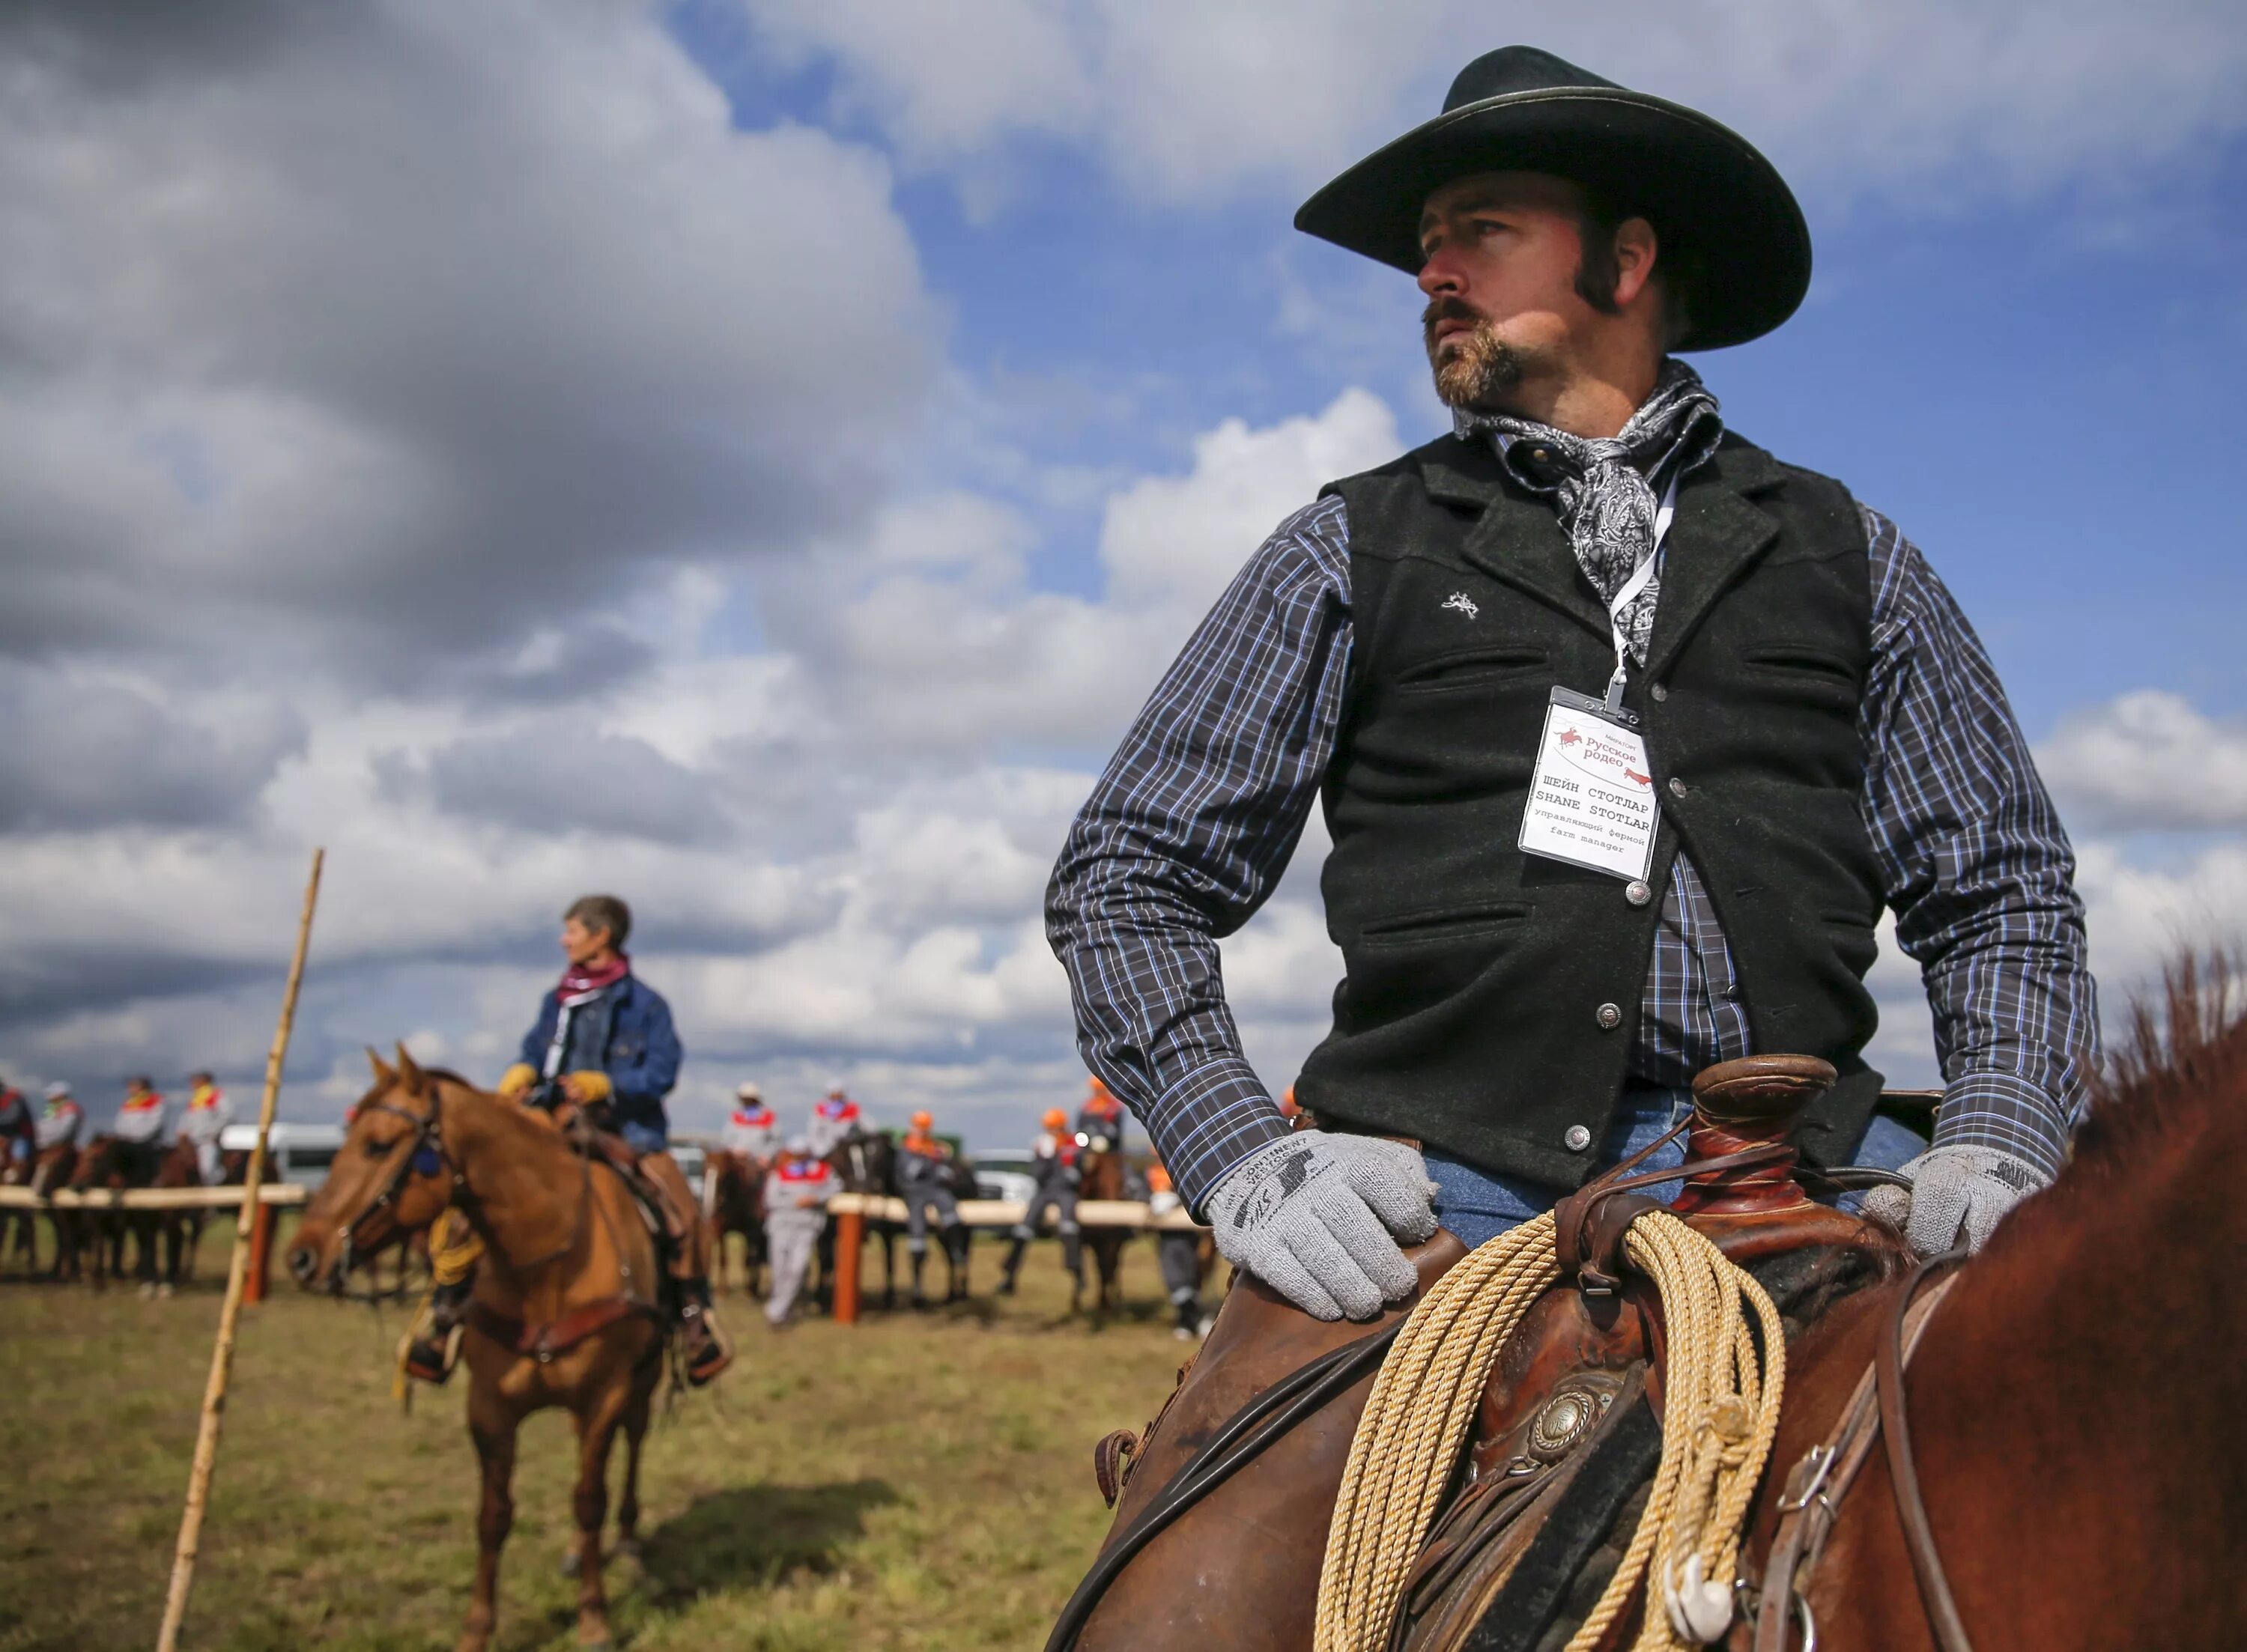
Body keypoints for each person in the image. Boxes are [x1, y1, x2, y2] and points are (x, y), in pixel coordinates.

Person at [1047, 46, 2097, 1324]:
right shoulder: (1353, 546)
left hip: (1803, 1164)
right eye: (1429, 246)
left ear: (1629, 259)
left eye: (1480, 232)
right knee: (1227, 1523)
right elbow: (1127, 874)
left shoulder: (1850, 552)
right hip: (1444, 1184)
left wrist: (2001, 1135)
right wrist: (1239, 1153)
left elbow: (2003, 883)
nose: (1433, 272)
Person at [408, 894, 730, 1385]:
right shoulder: (556, 999)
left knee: (680, 1210)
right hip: (546, 1124)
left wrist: (610, 1085)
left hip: (624, 1130)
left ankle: (693, 1322)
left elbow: (662, 1073)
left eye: (572, 931)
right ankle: (445, 1317)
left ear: (601, 936)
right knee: (474, 1202)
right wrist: (522, 1069)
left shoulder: (647, 1005)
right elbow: (536, 1048)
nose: (564, 941)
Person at [999, 1106, 1083, 1296]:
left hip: (1066, 1192)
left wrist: (1073, 1171)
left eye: (1055, 1128)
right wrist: (1045, 1158)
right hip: (1045, 1192)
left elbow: (1082, 1168)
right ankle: (1009, 1273)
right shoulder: (1041, 1146)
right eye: (1050, 1128)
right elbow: (1037, 1175)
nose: (1052, 1132)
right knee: (1024, 1228)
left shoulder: (1074, 1143)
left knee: (1069, 1228)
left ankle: (1077, 1274)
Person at [761, 1135, 836, 1328]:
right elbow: (770, 1200)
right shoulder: (778, 1174)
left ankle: (777, 1310)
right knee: (779, 1270)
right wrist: (795, 1203)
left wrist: (816, 1199)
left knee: (798, 1268)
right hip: (781, 1226)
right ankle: (781, 1309)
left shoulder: (821, 1172)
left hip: (807, 1227)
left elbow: (836, 1187)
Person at [894, 1108, 967, 1305]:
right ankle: (917, 1287)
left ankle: (957, 1251)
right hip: (915, 1193)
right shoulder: (906, 1149)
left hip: (935, 1190)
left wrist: (942, 1165)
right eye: (919, 1127)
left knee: (951, 1214)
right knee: (918, 1237)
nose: (922, 1131)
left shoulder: (936, 1148)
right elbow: (909, 1174)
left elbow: (947, 1173)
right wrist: (928, 1159)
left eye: (925, 1128)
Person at [1146, 1158, 1210, 1340]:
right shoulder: (1152, 1171)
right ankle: (1189, 1318)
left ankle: (1190, 1319)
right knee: (1176, 1277)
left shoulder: (1185, 1166)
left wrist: (1176, 1201)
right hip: (1167, 1237)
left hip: (1190, 1234)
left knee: (1190, 1274)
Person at [109, 1075, 172, 1182]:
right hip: (127, 1141)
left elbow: (156, 1123)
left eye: (133, 1085)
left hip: (148, 1142)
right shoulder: (129, 1103)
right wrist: (124, 1136)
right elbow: (119, 1123)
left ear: (143, 1087)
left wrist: (136, 1137)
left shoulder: (157, 1100)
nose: (130, 1088)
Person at [178, 1071, 234, 1185]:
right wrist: (182, 1130)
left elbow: (227, 1115)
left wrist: (213, 1132)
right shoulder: (195, 1099)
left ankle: (215, 1192)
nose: (192, 1084)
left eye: (195, 1081)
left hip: (208, 1141)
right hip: (192, 1141)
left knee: (208, 1170)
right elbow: (187, 1118)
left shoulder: (217, 1096)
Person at [721, 1082, 778, 1161]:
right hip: (738, 1158)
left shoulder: (768, 1116)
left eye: (749, 1099)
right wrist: (735, 1150)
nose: (747, 1102)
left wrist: (767, 1155)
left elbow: (776, 1140)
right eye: (744, 1099)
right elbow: (727, 1138)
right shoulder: (736, 1116)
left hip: (759, 1160)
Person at [806, 1083, 862, 1158]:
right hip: (825, 1149)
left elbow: (866, 1126)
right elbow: (814, 1132)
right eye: (833, 1095)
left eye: (839, 1094)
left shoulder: (853, 1108)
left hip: (848, 1147)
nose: (836, 1097)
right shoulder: (819, 1109)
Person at [34, 1082, 86, 1158]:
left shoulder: (71, 1111)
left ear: (61, 1096)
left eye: (53, 1098)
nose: (50, 1100)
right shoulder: (56, 1110)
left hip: (55, 1149)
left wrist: (40, 1142)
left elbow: (63, 1134)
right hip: (45, 1146)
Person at [1074, 1077, 1126, 1150]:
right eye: (1096, 1089)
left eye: (1100, 1089)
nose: (1098, 1091)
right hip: (1090, 1145)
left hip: (1110, 1146)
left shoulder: (1114, 1106)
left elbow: (1116, 1128)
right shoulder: (1087, 1106)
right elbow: (1081, 1127)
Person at [0, 1077, 30, 1170]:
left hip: (19, 1133)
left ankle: (18, 1170)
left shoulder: (13, 1097)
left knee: (19, 1153)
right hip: (4, 1133)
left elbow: (12, 1118)